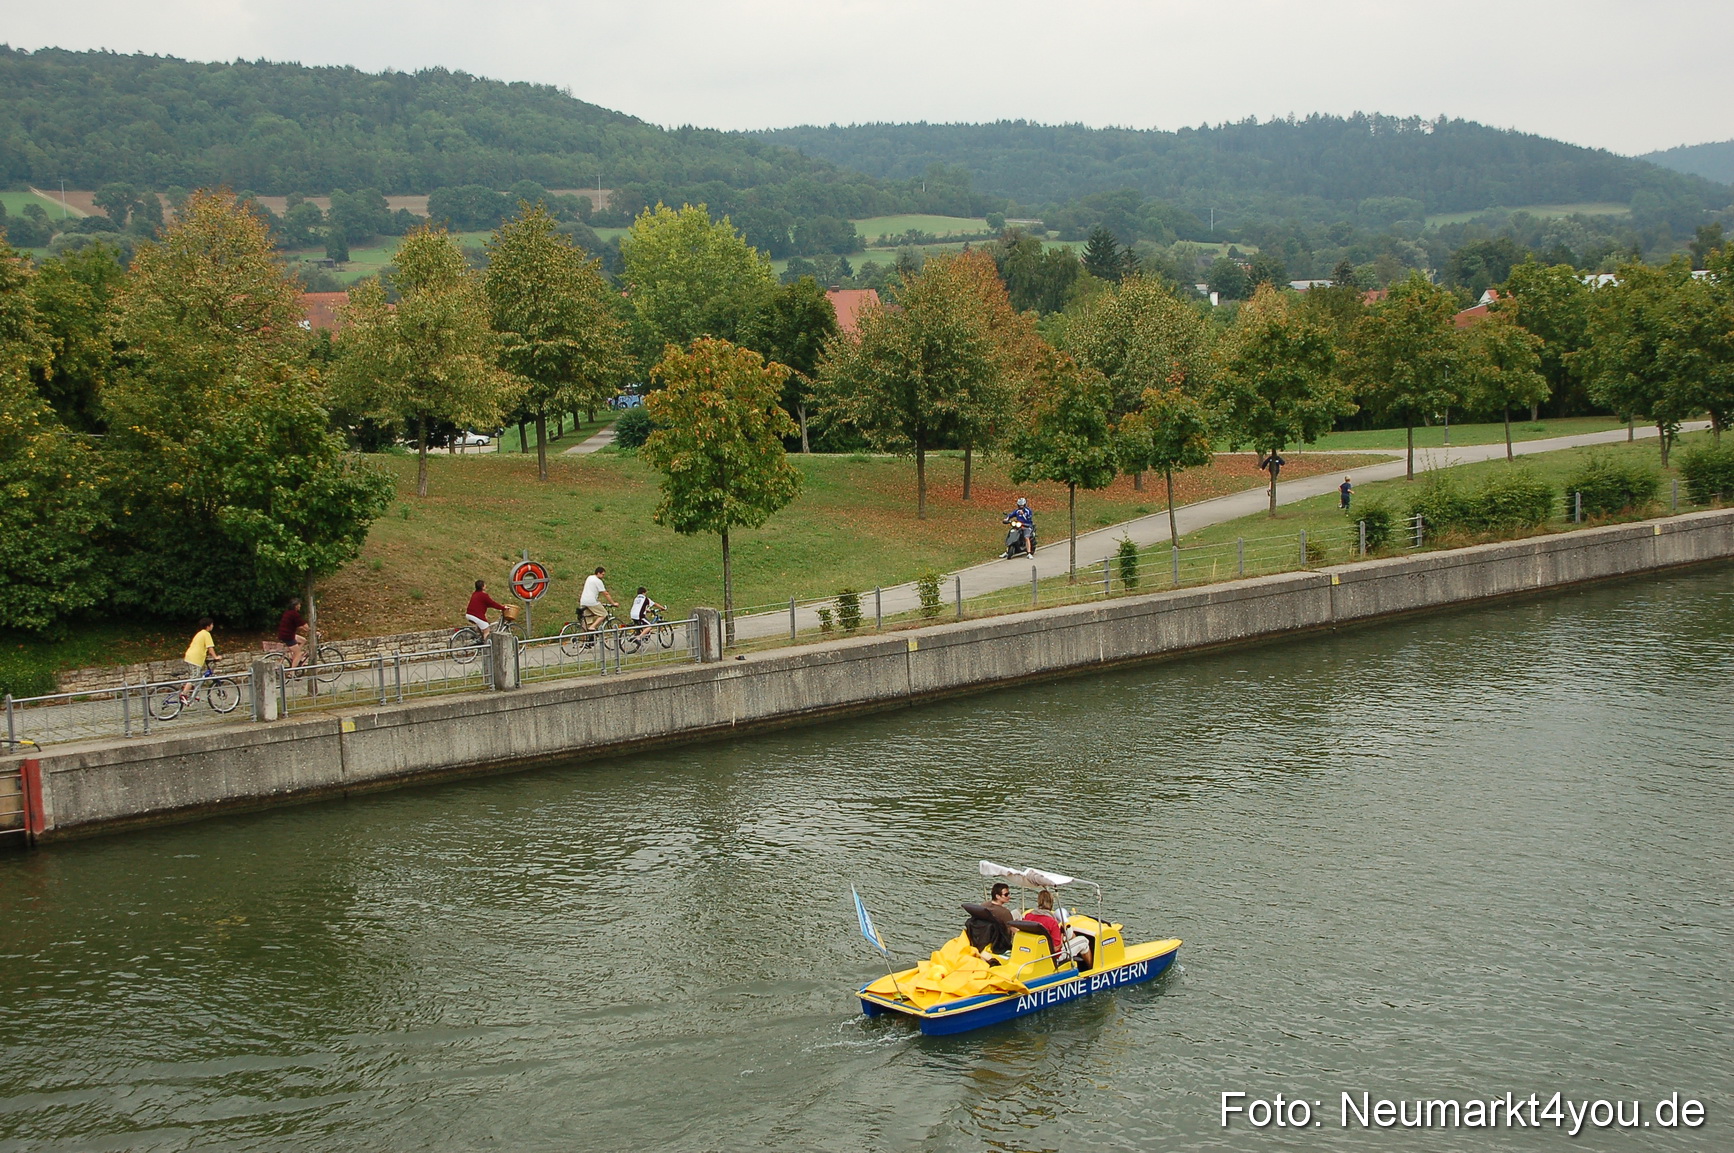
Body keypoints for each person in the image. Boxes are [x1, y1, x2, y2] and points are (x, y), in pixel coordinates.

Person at [1030, 889, 1092, 970]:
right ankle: (1091, 969)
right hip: (1053, 956)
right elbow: (1056, 948)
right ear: (1051, 903)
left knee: (1070, 935)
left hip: (1035, 951)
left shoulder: (1028, 916)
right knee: (1084, 941)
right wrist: (1062, 937)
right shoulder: (1052, 922)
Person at [963, 882, 1016, 955]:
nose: (1009, 896)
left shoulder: (984, 906)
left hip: (983, 938)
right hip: (1000, 942)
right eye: (1006, 894)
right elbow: (1013, 930)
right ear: (997, 896)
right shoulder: (1005, 912)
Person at [179, 617, 217, 702]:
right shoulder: (206, 634)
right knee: (194, 677)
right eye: (212, 624)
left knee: (197, 677)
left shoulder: (200, 633)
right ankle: (184, 694)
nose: (213, 626)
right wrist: (215, 657)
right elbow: (210, 648)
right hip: (194, 659)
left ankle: (191, 694)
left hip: (190, 657)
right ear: (208, 626)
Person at [579, 566, 619, 631]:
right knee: (604, 614)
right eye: (602, 574)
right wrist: (613, 603)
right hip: (591, 602)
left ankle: (585, 637)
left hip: (583, 601)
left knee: (587, 620)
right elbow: (606, 594)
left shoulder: (589, 577)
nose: (603, 576)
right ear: (598, 573)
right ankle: (592, 627)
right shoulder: (598, 581)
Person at [276, 598, 309, 671]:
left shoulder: (288, 613)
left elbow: (299, 625)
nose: (300, 606)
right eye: (299, 604)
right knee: (299, 654)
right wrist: (313, 631)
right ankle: (291, 673)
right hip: (288, 636)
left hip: (285, 634)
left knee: (303, 640)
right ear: (296, 606)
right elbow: (304, 625)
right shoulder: (294, 614)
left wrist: (305, 629)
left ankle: (293, 657)